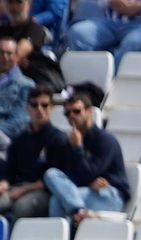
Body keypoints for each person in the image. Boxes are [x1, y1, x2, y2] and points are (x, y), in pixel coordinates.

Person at [42, 94, 130, 223]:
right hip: (86, 192)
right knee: (51, 175)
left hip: (110, 194)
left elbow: (89, 174)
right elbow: (71, 176)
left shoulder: (105, 140)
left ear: (89, 112)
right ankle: (76, 215)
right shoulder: (68, 142)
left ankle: (75, 215)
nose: (72, 116)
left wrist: (78, 148)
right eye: (67, 113)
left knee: (58, 200)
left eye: (77, 111)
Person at [0, 87, 61, 221]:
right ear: (28, 108)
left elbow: (54, 179)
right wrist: (4, 183)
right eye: (34, 105)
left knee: (22, 208)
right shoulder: (20, 140)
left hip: (43, 192)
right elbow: (9, 172)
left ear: (52, 108)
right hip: (17, 188)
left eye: (44, 105)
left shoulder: (58, 139)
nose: (39, 109)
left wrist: (24, 190)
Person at [0, 0, 63, 94]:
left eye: (19, 2)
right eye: (10, 2)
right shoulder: (2, 29)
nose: (14, 7)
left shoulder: (35, 29)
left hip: (27, 86)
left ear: (29, 4)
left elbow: (14, 58)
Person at [66, 0, 141, 55]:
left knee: (133, 42)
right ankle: (86, 83)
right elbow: (99, 3)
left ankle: (115, 81)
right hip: (110, 21)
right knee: (78, 33)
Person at [0, 35, 34, 149]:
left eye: (9, 53)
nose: (4, 57)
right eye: (1, 53)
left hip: (7, 145)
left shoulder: (26, 85)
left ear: (16, 56)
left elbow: (19, 123)